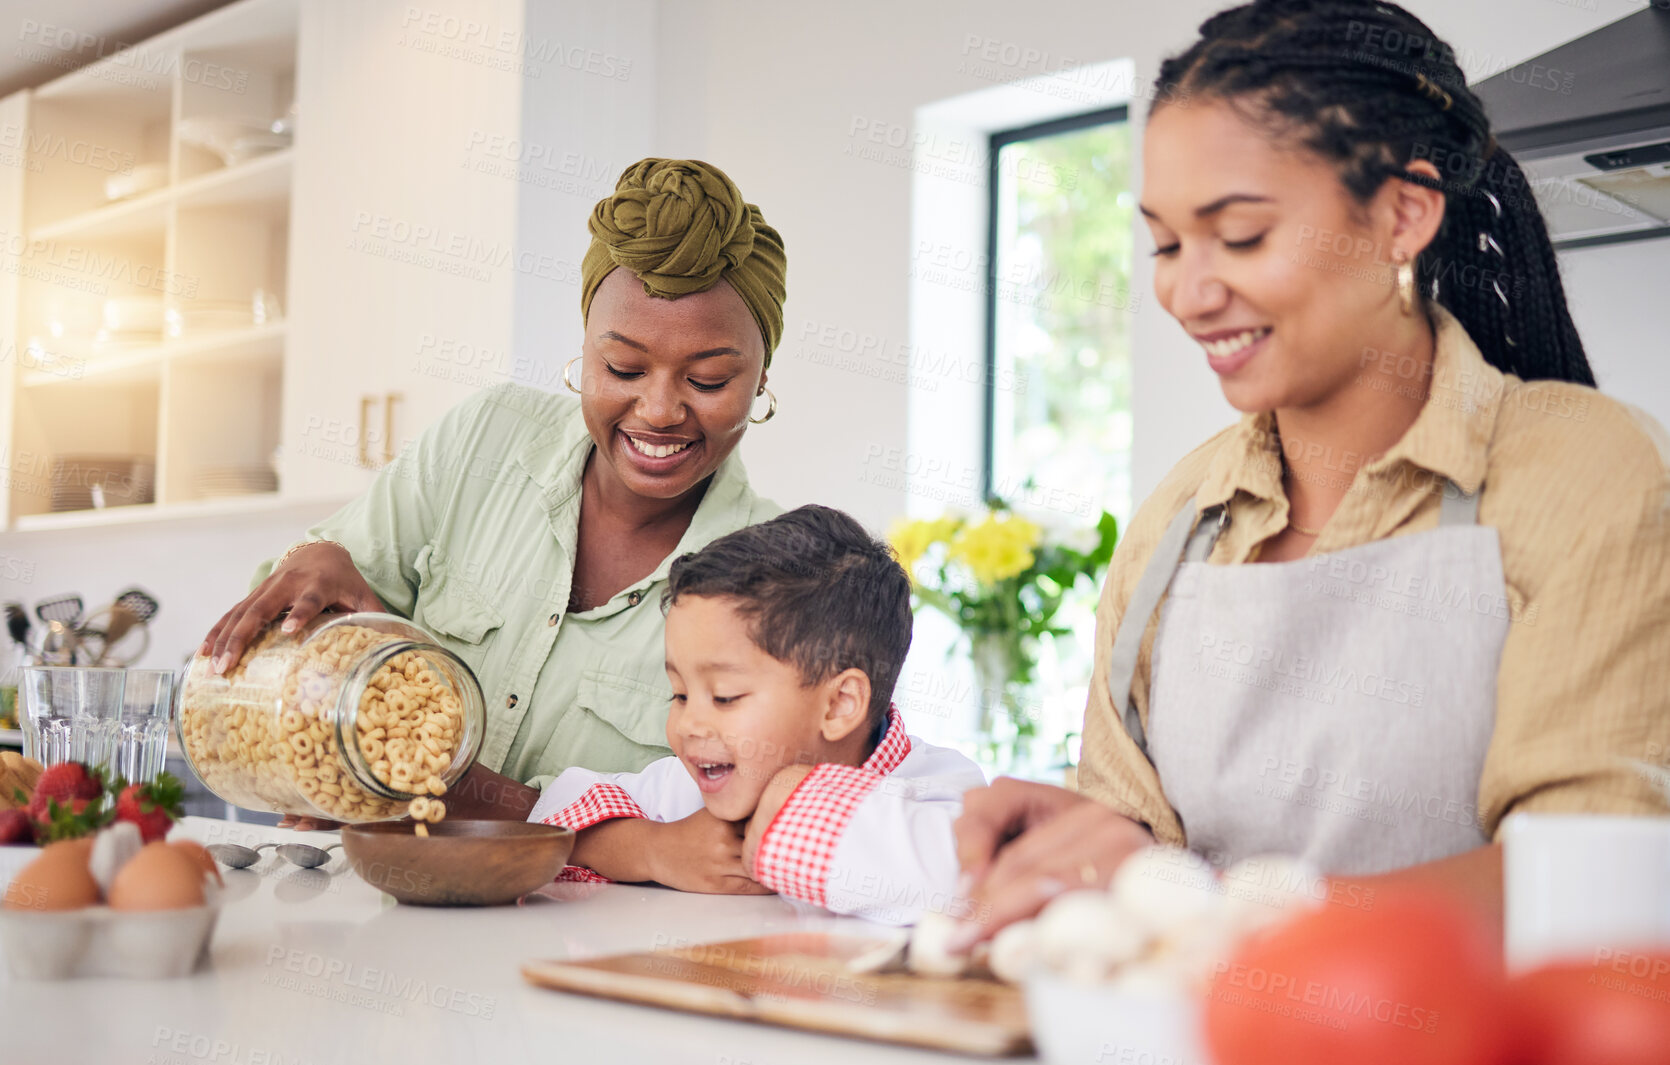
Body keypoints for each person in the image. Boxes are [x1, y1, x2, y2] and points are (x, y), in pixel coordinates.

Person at [952, 0, 1670, 950]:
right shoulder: (1181, 516)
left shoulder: (1581, 470)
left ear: (1402, 215)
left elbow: (1591, 880)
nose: (1187, 292)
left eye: (1240, 235)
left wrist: (1205, 908)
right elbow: (1134, 839)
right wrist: (1073, 860)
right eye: (1166, 244)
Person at [198, 159, 788, 828]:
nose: (657, 410)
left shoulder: (773, 580)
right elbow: (284, 661)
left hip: (592, 931)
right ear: (585, 351)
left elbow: (712, 834)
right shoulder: (489, 438)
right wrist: (317, 571)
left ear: (762, 378)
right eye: (623, 367)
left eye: (708, 380)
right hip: (382, 895)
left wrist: (462, 791)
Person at [529, 505, 986, 922]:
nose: (689, 724)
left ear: (840, 704)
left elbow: (971, 877)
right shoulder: (690, 791)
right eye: (680, 694)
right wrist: (654, 849)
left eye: (725, 697)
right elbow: (555, 817)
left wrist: (798, 797)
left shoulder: (942, 789)